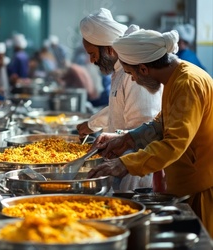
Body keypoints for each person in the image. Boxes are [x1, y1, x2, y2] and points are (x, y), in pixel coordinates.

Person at [87, 29, 213, 237]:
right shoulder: (176, 79)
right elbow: (161, 124)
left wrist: (125, 164)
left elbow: (173, 144)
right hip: (185, 185)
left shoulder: (187, 83)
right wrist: (126, 139)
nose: (134, 80)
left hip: (200, 189)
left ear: (143, 69)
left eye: (131, 74)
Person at [76, 8, 163, 191]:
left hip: (137, 172)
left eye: (92, 54)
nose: (91, 61)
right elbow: (119, 106)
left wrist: (118, 138)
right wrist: (92, 124)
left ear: (108, 49)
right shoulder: (120, 69)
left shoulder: (134, 72)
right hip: (123, 163)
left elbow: (146, 127)